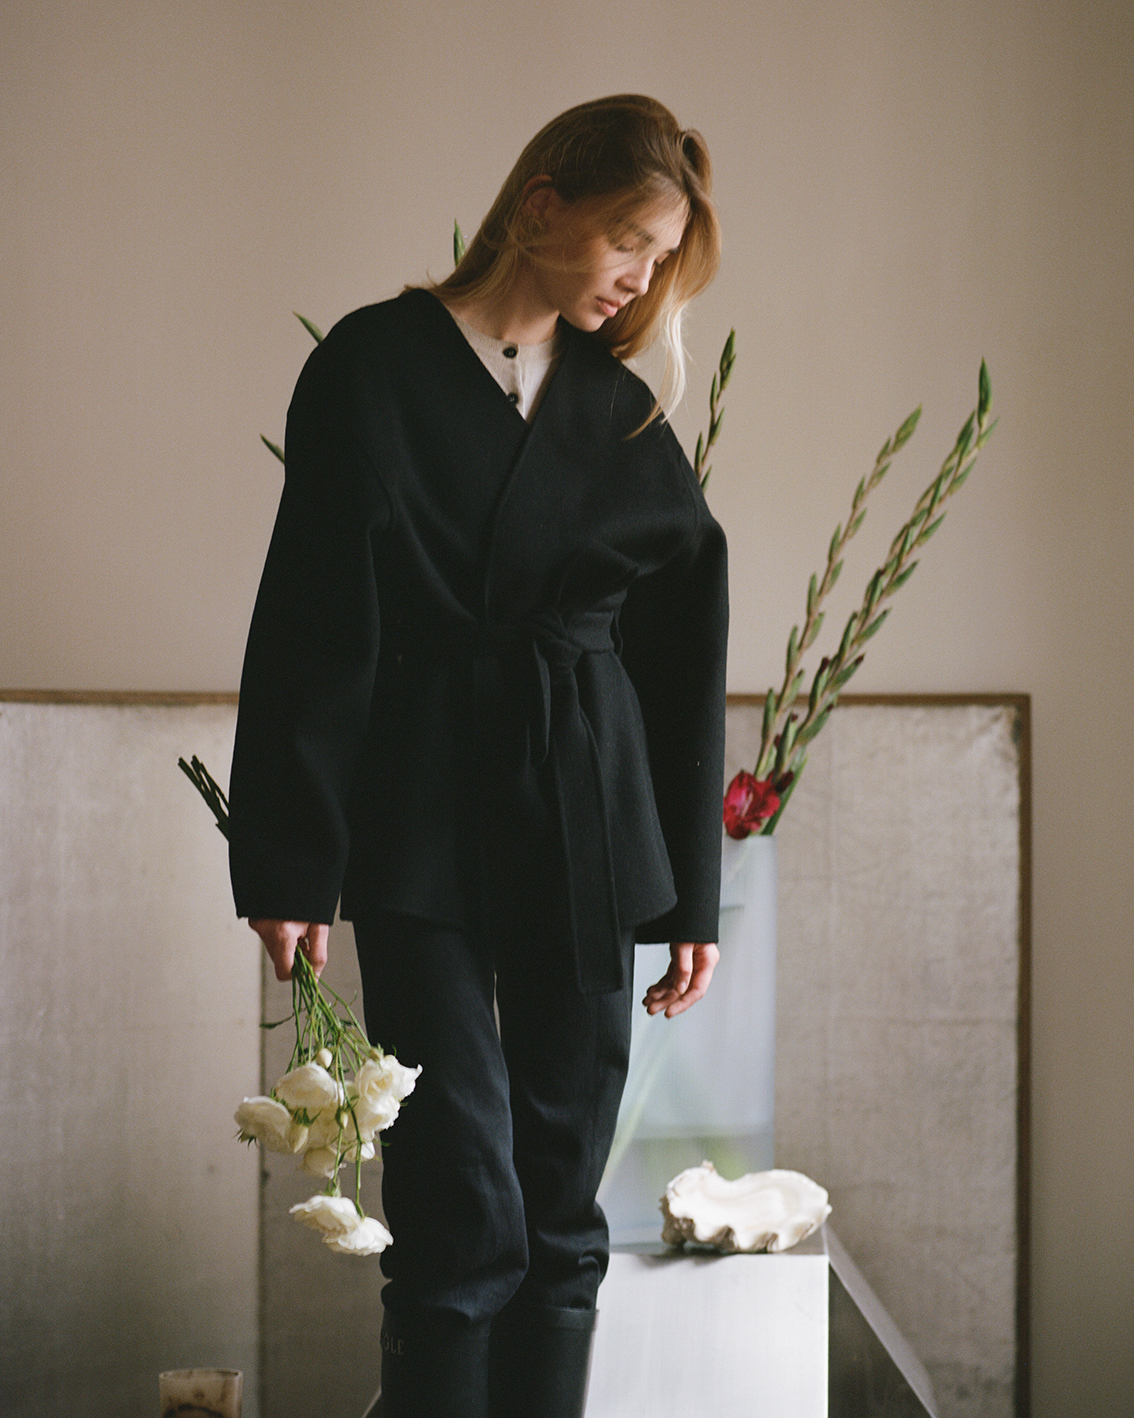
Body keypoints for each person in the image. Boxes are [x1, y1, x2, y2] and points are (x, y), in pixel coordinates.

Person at [227, 94, 728, 1418]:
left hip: (586, 805)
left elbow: (683, 649)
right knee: (460, 1202)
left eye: (657, 259)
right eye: (627, 238)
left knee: (564, 1210)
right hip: (422, 815)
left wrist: (688, 885)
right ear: (541, 201)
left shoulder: (619, 411)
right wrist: (285, 856)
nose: (635, 277)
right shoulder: (372, 365)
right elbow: (316, 616)